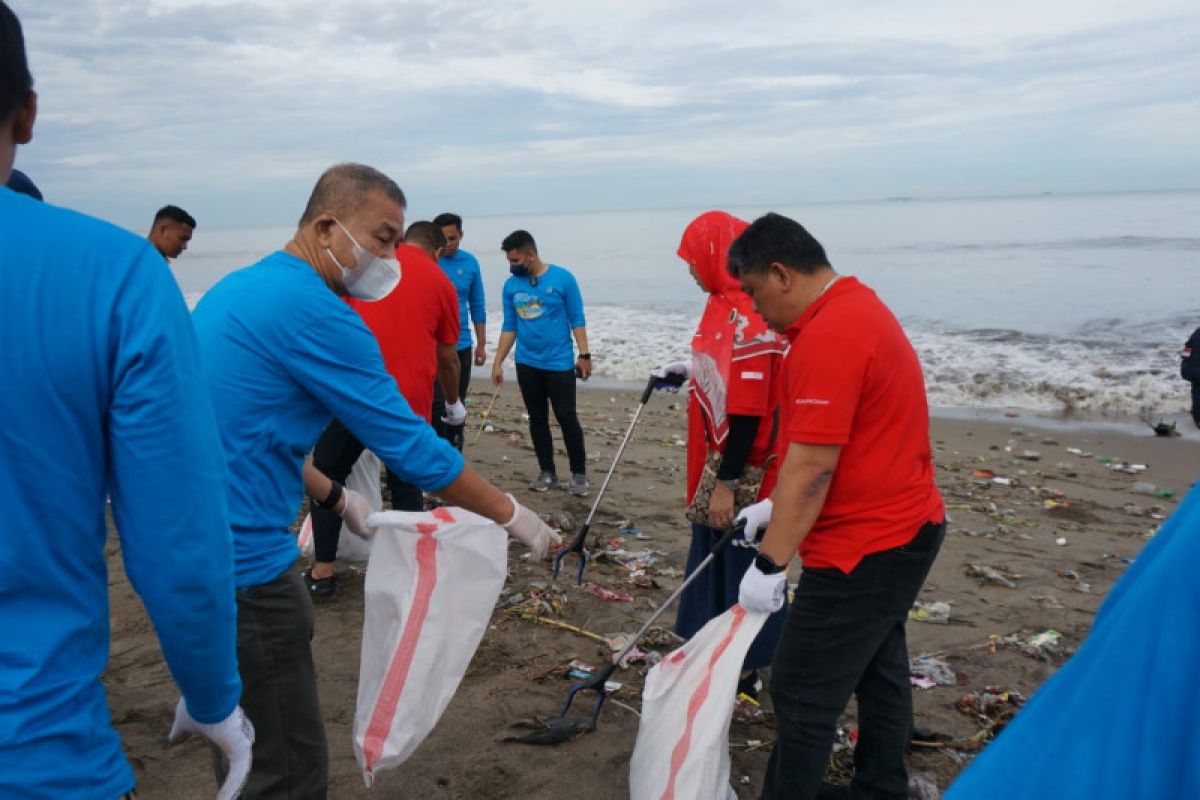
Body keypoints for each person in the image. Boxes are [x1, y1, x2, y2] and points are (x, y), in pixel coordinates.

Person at [190, 162, 560, 798]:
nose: (391, 257)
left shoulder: (242, 286)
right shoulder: (317, 312)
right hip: (244, 565)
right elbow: (418, 454)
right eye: (384, 238)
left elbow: (249, 431)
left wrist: (336, 495)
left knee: (245, 742)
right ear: (328, 226)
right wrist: (514, 517)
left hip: (194, 546)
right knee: (287, 767)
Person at [0, 4, 252, 797]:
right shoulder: (112, 276)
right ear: (29, 112)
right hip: (34, 750)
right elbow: (177, 539)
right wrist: (215, 698)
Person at [727, 213, 946, 799]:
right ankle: (880, 786)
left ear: (780, 274)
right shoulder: (854, 305)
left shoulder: (832, 334)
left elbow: (814, 468)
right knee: (880, 666)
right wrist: (775, 501)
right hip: (911, 526)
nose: (753, 310)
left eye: (752, 292)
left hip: (867, 546)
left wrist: (770, 564)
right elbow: (839, 442)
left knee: (799, 689)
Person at [653, 211, 790, 724]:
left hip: (744, 466)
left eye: (692, 258)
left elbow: (753, 412)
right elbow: (725, 372)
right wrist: (687, 371)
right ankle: (706, 643)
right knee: (707, 553)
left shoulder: (749, 314)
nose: (689, 269)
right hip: (715, 457)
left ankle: (749, 668)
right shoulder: (720, 305)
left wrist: (728, 485)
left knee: (740, 564)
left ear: (717, 255)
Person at [305, 220, 465, 598]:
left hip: (356, 392)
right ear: (438, 250)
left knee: (328, 474)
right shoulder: (442, 282)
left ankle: (323, 572)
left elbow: (335, 323)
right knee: (406, 483)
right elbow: (448, 359)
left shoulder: (368, 265)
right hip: (406, 401)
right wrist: (454, 403)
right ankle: (408, 570)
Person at [492, 229, 591, 496]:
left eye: (516, 261)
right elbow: (510, 326)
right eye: (509, 262)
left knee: (566, 417)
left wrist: (584, 354)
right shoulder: (511, 286)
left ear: (531, 255)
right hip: (527, 363)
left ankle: (579, 475)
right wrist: (498, 361)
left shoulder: (562, 279)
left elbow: (577, 318)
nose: (512, 266)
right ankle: (547, 472)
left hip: (558, 363)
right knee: (537, 418)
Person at [434, 212, 487, 447]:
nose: (448, 244)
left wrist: (482, 344)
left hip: (461, 344)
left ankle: (455, 445)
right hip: (432, 345)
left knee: (456, 400)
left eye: (453, 238)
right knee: (434, 402)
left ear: (461, 236)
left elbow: (477, 305)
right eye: (443, 239)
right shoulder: (429, 261)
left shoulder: (470, 263)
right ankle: (436, 448)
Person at [1182, 326, 1200, 427]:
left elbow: (1185, 351)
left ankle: (1198, 417)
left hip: (1187, 368)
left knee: (1196, 392)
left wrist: (1187, 362)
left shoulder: (1197, 331)